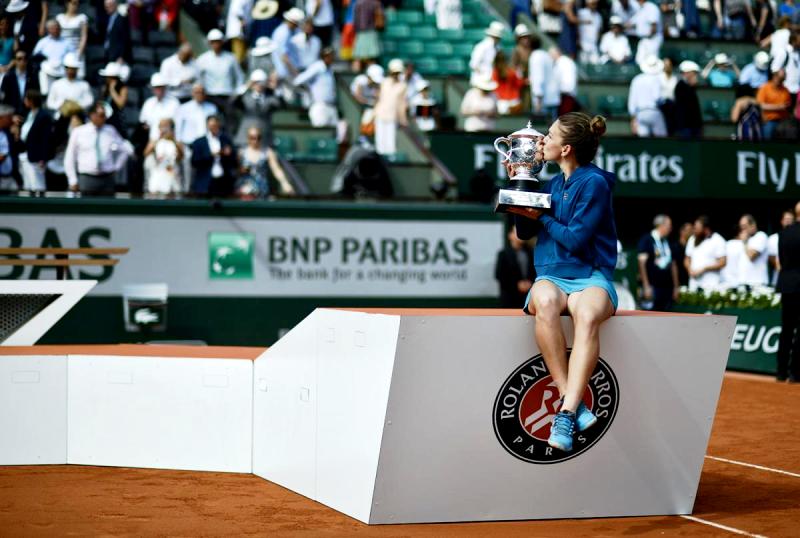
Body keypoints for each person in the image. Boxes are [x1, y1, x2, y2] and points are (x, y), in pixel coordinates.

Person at [510, 112, 618, 453]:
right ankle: (572, 401)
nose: (543, 140)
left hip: (591, 275)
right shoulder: (552, 185)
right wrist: (522, 182)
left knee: (587, 315)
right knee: (543, 303)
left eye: (550, 136)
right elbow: (523, 232)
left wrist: (542, 216)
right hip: (551, 276)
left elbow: (575, 240)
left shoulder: (595, 183)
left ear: (567, 148)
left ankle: (566, 413)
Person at [63, 100, 133, 195]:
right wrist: (72, 180)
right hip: (87, 178)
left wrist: (116, 167)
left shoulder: (110, 130)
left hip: (107, 178)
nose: (104, 118)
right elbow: (70, 157)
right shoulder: (79, 132)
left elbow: (124, 150)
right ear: (92, 115)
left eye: (104, 115)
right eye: (101, 115)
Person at [175, 83, 218, 191]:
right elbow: (178, 129)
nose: (199, 94)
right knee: (188, 176)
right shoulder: (184, 108)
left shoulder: (211, 108)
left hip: (206, 146)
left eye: (202, 92)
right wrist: (179, 145)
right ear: (192, 93)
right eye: (197, 92)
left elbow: (215, 127)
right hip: (189, 146)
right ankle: (187, 194)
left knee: (206, 174)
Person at [776, 201, 800, 382]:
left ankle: (781, 372)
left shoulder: (784, 233)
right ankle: (795, 373)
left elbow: (782, 260)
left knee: (786, 329)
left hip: (787, 284)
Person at [196, 29, 245, 112]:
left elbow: (240, 76)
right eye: (213, 42)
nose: (215, 44)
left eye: (217, 41)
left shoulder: (231, 58)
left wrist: (237, 92)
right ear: (209, 43)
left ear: (222, 42)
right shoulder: (202, 59)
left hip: (228, 95)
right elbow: (198, 77)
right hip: (210, 95)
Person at [637, 214, 679, 311]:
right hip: (652, 286)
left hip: (667, 288)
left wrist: (676, 287)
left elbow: (673, 265)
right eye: (669, 225)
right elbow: (642, 263)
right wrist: (646, 286)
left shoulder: (669, 241)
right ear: (661, 225)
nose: (671, 229)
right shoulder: (647, 239)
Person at [232, 69, 282, 147]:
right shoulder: (245, 97)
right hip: (245, 138)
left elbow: (281, 104)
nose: (259, 85)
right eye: (256, 82)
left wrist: (275, 88)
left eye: (261, 82)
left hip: (265, 139)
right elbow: (233, 102)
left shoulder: (271, 98)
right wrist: (246, 87)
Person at [190, 114, 236, 197]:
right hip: (205, 183)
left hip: (223, 183)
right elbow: (195, 161)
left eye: (215, 126)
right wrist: (211, 155)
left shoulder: (225, 140)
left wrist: (229, 154)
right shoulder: (199, 142)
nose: (213, 128)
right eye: (211, 126)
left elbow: (233, 161)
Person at [17, 89, 53, 194]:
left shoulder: (44, 116)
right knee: (28, 186)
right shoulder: (28, 114)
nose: (24, 101)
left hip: (36, 157)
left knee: (38, 186)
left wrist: (43, 158)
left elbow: (46, 139)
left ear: (31, 100)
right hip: (25, 155)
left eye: (26, 98)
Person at [293, 47, 338, 127]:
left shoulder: (330, 69)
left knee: (334, 132)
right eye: (329, 56)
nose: (332, 58)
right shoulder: (317, 67)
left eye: (332, 55)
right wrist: (307, 91)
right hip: (319, 106)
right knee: (321, 131)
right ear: (324, 57)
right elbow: (298, 81)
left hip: (331, 106)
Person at [495, 225, 535, 308]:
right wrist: (516, 285)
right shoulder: (503, 254)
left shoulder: (531, 253)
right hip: (509, 299)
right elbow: (499, 275)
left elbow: (535, 271)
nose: (520, 234)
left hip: (528, 298)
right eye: (516, 232)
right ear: (510, 235)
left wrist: (530, 283)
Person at [373, 58, 407, 155]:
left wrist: (403, 120)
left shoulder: (403, 86)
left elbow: (402, 104)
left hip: (392, 117)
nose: (395, 74)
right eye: (394, 72)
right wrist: (374, 113)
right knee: (379, 144)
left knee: (390, 145)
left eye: (398, 72)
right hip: (380, 115)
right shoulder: (384, 82)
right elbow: (379, 99)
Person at [684, 215, 727, 291]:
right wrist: (689, 269)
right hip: (694, 284)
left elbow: (723, 262)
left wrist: (704, 268)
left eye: (697, 228)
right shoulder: (692, 239)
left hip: (711, 285)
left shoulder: (717, 240)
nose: (694, 230)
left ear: (706, 229)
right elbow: (687, 259)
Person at [628, 55, 667, 137]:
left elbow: (632, 102)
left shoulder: (636, 79)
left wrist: (633, 118)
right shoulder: (656, 79)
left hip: (640, 113)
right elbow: (657, 98)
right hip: (654, 111)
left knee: (643, 141)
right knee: (661, 140)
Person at [143, 118, 183, 195]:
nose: (163, 128)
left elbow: (180, 157)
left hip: (172, 175)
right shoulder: (155, 140)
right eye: (161, 126)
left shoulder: (177, 141)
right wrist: (159, 138)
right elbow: (146, 153)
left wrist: (173, 139)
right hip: (158, 174)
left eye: (166, 126)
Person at [139, 73, 179, 142]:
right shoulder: (148, 103)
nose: (159, 90)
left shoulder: (174, 102)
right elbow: (144, 122)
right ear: (152, 89)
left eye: (161, 87)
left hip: (170, 139)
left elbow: (176, 124)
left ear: (165, 87)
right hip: (153, 140)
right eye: (156, 87)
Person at [529, 35, 560, 117]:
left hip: (543, 101)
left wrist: (538, 101)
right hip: (553, 98)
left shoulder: (535, 56)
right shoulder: (545, 55)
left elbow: (538, 78)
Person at [756, 68, 792, 140]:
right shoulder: (765, 88)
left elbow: (787, 105)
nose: (780, 80)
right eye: (779, 78)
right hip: (769, 121)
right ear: (774, 76)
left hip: (783, 121)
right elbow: (761, 105)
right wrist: (779, 107)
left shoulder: (785, 90)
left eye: (782, 79)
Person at [1, 50, 38, 116]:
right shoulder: (8, 77)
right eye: (19, 59)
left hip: (28, 114)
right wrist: (11, 116)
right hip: (11, 114)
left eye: (25, 58)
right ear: (15, 61)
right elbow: (3, 98)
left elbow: (36, 97)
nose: (22, 61)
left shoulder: (32, 77)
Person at [736, 214, 769, 287]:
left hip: (757, 282)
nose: (743, 230)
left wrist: (745, 242)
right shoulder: (745, 239)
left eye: (744, 226)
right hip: (743, 282)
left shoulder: (761, 236)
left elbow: (752, 256)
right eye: (741, 227)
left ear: (753, 225)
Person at [673, 60, 703, 139]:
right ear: (686, 73)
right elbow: (687, 106)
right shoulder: (680, 86)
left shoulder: (690, 87)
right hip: (686, 126)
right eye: (694, 73)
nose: (695, 76)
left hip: (693, 126)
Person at [98, 61, 128, 133]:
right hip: (105, 118)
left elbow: (120, 104)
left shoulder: (123, 88)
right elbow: (101, 102)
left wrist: (112, 90)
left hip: (117, 120)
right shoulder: (104, 88)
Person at [352, 0, 383, 70]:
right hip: (371, 32)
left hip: (360, 32)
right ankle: (371, 72)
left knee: (358, 58)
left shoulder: (358, 3)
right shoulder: (376, 3)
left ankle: (356, 73)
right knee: (371, 59)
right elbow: (381, 18)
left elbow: (355, 20)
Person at [629, 0, 662, 65]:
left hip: (653, 39)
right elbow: (631, 23)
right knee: (639, 61)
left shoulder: (652, 7)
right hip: (643, 39)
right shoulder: (640, 8)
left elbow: (654, 27)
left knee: (652, 61)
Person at [470, 21, 503, 86]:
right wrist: (483, 75)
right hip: (480, 80)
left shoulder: (497, 48)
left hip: (491, 80)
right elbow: (473, 64)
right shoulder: (482, 46)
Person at [492, 50, 524, 114]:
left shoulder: (494, 72)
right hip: (513, 101)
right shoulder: (511, 72)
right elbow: (519, 84)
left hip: (501, 102)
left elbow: (493, 87)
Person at [768, 210, 794, 283]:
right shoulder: (773, 238)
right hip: (779, 278)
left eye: (790, 219)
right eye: (786, 219)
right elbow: (771, 257)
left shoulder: (797, 237)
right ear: (782, 221)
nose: (788, 221)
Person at [552, 46, 578, 115]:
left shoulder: (563, 62)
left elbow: (568, 83)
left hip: (565, 95)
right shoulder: (564, 62)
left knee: (564, 118)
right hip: (565, 94)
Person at [577, 0, 602, 64]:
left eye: (596, 3)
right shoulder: (581, 13)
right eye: (593, 3)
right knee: (583, 65)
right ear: (587, 4)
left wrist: (596, 41)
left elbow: (598, 31)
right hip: (583, 44)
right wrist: (579, 41)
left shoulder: (598, 16)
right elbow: (577, 28)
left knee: (596, 64)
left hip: (593, 45)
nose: (595, 5)